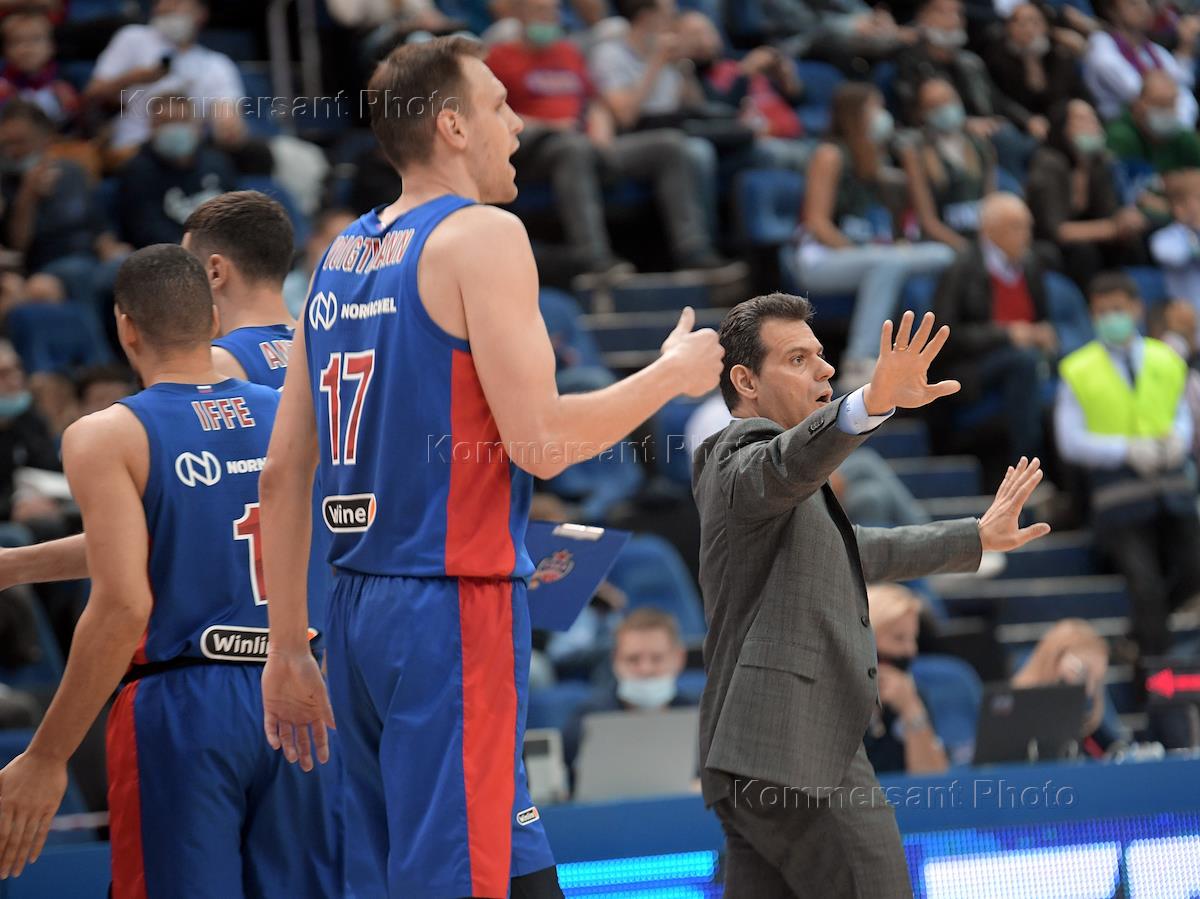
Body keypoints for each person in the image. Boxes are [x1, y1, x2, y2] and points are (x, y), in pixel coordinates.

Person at [258, 36, 723, 899]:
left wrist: (288, 644)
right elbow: (542, 443)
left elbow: (283, 473)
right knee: (455, 876)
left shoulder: (338, 256)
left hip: (350, 610)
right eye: (502, 105)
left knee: (437, 862)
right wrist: (671, 375)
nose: (519, 124)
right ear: (452, 126)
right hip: (449, 604)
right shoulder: (483, 235)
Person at [0, 245, 339, 894]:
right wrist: (18, 564)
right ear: (213, 320)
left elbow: (125, 601)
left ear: (126, 328)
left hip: (186, 704)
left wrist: (47, 755)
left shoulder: (106, 434)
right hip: (298, 688)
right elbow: (185, 530)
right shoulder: (291, 411)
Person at [692, 294, 1049, 896]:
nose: (825, 369)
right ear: (746, 382)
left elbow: (860, 550)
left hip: (753, 759)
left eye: (820, 356)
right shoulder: (733, 456)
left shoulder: (784, 499)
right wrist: (871, 402)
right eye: (798, 359)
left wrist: (975, 537)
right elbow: (782, 463)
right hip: (796, 748)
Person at [0, 190, 300, 593]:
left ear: (214, 272)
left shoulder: (217, 368)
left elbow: (167, 535)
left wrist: (19, 564)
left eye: (187, 268)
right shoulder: (323, 343)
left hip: (246, 602)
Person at [486, 0, 732, 278]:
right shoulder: (499, 58)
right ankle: (595, 259)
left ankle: (693, 251)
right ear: (519, 14)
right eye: (541, 10)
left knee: (670, 145)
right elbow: (494, 114)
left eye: (553, 10)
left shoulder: (568, 53)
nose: (551, 17)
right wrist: (551, 126)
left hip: (587, 142)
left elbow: (596, 103)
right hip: (538, 150)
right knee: (573, 149)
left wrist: (600, 132)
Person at [1055, 271, 1200, 661]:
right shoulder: (1078, 368)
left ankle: (1136, 637)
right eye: (1102, 312)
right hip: (1119, 494)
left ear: (1136, 308)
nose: (1111, 318)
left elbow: (1181, 412)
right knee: (1145, 585)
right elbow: (1070, 439)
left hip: (1172, 484)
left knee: (1193, 571)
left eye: (1118, 309)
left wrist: (1179, 439)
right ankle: (1156, 672)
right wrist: (1124, 450)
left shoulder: (1166, 357)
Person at [798, 82, 955, 390]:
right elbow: (817, 223)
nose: (883, 116)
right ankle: (859, 362)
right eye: (876, 108)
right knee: (888, 263)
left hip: (872, 255)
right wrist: (865, 252)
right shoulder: (830, 154)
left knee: (944, 255)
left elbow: (912, 214)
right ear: (856, 114)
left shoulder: (874, 157)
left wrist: (911, 161)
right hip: (821, 257)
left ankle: (918, 361)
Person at [932, 192, 1054, 462]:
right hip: (970, 367)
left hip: (1022, 356)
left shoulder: (1031, 265)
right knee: (1023, 363)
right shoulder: (961, 268)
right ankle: (1027, 467)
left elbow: (1041, 318)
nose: (1026, 235)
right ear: (989, 230)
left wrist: (1044, 334)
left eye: (1028, 227)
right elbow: (945, 336)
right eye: (1016, 227)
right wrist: (1005, 335)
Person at [85, 0, 249, 164]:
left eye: (176, 3)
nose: (165, 7)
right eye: (160, 3)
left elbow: (227, 115)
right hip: (132, 153)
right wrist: (134, 79)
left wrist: (229, 128)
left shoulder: (217, 64)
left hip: (189, 157)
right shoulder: (132, 38)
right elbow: (92, 94)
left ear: (201, 13)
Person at [1027, 98, 1149, 288]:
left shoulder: (1097, 163)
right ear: (1062, 127)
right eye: (1082, 120)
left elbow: (1108, 213)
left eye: (1094, 119)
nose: (1092, 126)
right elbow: (1056, 230)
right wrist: (1112, 228)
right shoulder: (1048, 163)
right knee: (1083, 252)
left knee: (1130, 243)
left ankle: (1128, 297)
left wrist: (1125, 220)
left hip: (1089, 235)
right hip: (1049, 242)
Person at [560, 606, 693, 772]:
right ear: (615, 660)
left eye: (657, 658)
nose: (645, 669)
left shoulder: (700, 718)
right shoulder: (587, 719)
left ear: (679, 658)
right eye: (633, 659)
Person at [676, 11, 812, 172]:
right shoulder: (693, 78)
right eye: (694, 34)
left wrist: (786, 78)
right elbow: (721, 112)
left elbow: (799, 101)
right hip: (755, 144)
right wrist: (745, 73)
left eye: (708, 31)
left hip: (794, 136)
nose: (704, 39)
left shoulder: (735, 62)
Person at [115, 95, 238, 248]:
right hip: (169, 253)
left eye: (181, 121)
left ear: (197, 126)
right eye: (166, 122)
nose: (174, 128)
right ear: (151, 128)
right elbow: (145, 229)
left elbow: (236, 214)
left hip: (222, 248)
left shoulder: (217, 162)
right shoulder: (137, 171)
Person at [898, 77, 996, 249]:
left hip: (980, 238)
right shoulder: (916, 153)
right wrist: (965, 248)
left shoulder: (980, 145)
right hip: (941, 244)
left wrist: (986, 246)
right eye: (934, 105)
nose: (945, 108)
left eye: (948, 100)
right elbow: (928, 222)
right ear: (923, 113)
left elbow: (992, 205)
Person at [863, 583, 948, 775]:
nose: (910, 650)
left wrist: (911, 711)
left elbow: (933, 782)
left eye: (913, 639)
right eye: (899, 638)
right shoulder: (833, 698)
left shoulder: (912, 693)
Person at [1106, 70, 1200, 226]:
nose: (1167, 111)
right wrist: (1177, 188)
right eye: (1160, 104)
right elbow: (1137, 198)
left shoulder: (1183, 137)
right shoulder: (1122, 136)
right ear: (1139, 104)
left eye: (1171, 104)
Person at [1083, 0, 1199, 125]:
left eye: (1146, 2)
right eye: (1133, 3)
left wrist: (1185, 46)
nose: (1143, 8)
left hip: (1166, 126)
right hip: (1122, 128)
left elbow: (1183, 84)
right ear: (1112, 11)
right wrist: (1178, 116)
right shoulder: (1102, 50)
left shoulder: (1152, 49)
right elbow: (1149, 97)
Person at [982, 3, 1084, 140]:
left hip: (1060, 120)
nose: (1029, 29)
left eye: (1035, 22)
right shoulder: (996, 58)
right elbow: (999, 99)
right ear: (1009, 27)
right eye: (1022, 24)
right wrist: (1026, 119)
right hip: (1021, 124)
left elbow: (1073, 93)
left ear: (1046, 26)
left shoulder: (1059, 54)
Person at [1012, 618, 1110, 745]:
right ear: (1055, 658)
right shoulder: (1014, 706)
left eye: (1096, 680)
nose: (1089, 691)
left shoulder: (1087, 709)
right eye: (1083, 673)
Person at [0, 10, 80, 130]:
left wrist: (71, 108)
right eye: (17, 41)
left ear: (51, 47)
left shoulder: (67, 83)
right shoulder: (3, 87)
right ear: (5, 50)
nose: (26, 49)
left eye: (36, 39)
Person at [1151, 167, 1200, 327]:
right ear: (1179, 207)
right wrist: (1194, 232)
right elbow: (1175, 255)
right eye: (1198, 198)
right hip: (1187, 325)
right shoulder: (1166, 238)